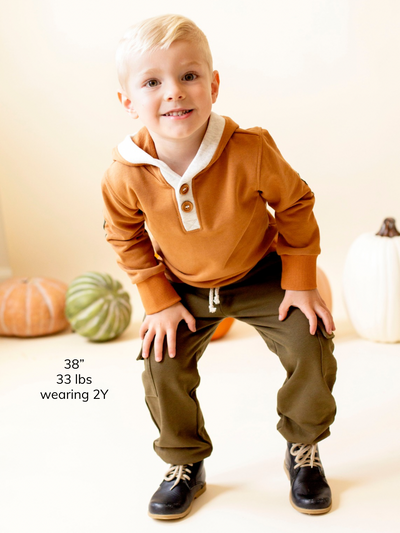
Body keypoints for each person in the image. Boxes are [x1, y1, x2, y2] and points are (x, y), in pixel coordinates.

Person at [101, 13, 337, 520]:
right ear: (128, 102)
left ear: (213, 84)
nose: (174, 93)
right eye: (152, 82)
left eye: (188, 76)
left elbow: (294, 204)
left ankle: (303, 450)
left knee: (311, 342)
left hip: (260, 275)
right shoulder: (124, 174)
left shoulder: (249, 150)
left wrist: (299, 281)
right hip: (182, 288)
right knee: (161, 362)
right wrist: (158, 301)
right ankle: (185, 462)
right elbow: (124, 234)